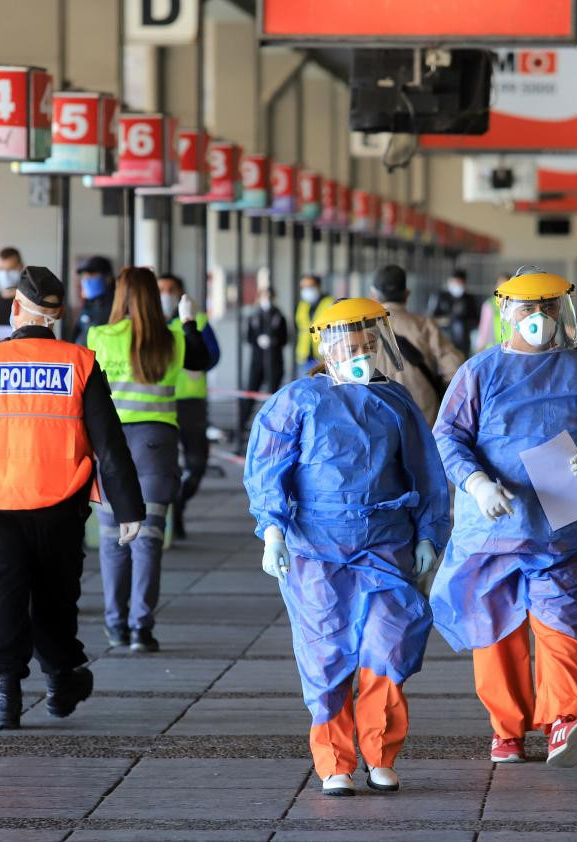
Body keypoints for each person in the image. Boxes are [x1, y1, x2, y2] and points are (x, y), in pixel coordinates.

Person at [430, 267, 577, 768]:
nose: (538, 318)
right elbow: (449, 436)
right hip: (493, 528)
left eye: (547, 307)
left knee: (563, 621)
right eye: (527, 308)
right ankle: (508, 730)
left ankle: (564, 721)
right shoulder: (478, 373)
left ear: (561, 311)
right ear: (506, 313)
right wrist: (477, 484)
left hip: (563, 528)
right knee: (496, 630)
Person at [0, 266, 145, 730]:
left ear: (15, 308)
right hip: (59, 503)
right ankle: (62, 678)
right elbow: (109, 441)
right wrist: (129, 507)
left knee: (4, 589)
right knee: (55, 594)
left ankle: (6, 695)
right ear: (58, 315)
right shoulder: (79, 362)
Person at [243, 297, 450, 796]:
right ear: (326, 347)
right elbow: (268, 469)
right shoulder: (296, 401)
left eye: (366, 345)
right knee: (326, 652)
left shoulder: (396, 402)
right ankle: (335, 762)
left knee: (388, 644)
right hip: (317, 549)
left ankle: (381, 752)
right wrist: (272, 532)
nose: (359, 354)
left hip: (386, 544)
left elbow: (426, 472)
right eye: (349, 346)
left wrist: (428, 534)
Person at [87, 267, 210, 653]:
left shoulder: (100, 336)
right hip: (157, 444)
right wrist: (188, 321)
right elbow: (202, 360)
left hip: (111, 447)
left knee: (112, 540)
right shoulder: (171, 338)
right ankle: (142, 628)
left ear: (119, 295)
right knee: (148, 541)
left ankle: (115, 626)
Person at [157, 273, 221, 540]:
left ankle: (179, 503)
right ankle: (169, 516)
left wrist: (200, 363)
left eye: (171, 289)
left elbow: (213, 354)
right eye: (160, 290)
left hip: (192, 402)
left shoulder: (200, 320)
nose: (165, 295)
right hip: (162, 402)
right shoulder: (151, 324)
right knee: (163, 467)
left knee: (197, 463)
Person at [370, 264, 465, 426]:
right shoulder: (424, 326)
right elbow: (456, 368)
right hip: (421, 416)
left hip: (377, 415)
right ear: (407, 294)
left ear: (373, 294)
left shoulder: (363, 330)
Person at [241, 286, 288, 429]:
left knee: (273, 394)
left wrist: (273, 340)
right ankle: (242, 425)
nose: (266, 300)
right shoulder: (254, 316)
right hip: (257, 361)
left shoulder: (279, 316)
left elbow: (285, 338)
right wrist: (258, 340)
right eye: (264, 296)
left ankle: (273, 427)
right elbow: (248, 337)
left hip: (274, 361)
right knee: (251, 392)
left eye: (269, 297)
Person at [428, 268, 479, 356]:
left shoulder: (469, 299)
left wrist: (464, 323)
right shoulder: (440, 297)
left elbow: (476, 319)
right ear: (450, 282)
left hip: (464, 342)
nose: (457, 285)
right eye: (455, 282)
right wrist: (444, 321)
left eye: (460, 283)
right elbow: (431, 318)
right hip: (443, 340)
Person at [294, 274, 333, 376]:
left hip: (323, 356)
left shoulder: (329, 303)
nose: (306, 290)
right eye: (303, 287)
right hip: (304, 356)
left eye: (309, 286)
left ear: (318, 286)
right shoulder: (302, 304)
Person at [72, 256, 115, 346]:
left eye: (92, 275)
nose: (86, 279)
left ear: (108, 278)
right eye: (84, 276)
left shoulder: (116, 306)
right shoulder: (88, 304)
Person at [475, 273, 511, 353]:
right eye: (500, 285)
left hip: (510, 349)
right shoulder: (489, 305)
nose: (502, 288)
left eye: (506, 285)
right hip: (492, 350)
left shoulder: (515, 305)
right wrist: (479, 349)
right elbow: (484, 330)